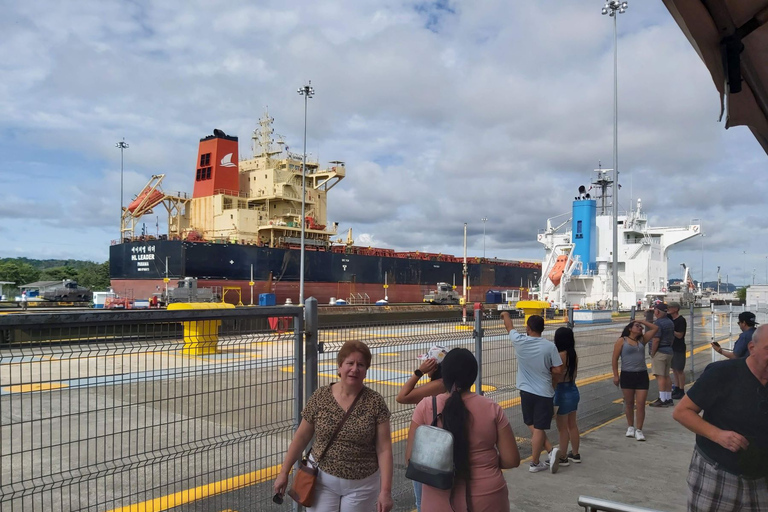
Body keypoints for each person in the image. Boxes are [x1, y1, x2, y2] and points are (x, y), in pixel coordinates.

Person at [273, 340, 393, 512]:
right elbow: (301, 437)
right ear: (339, 367)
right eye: (349, 363)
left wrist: (386, 491)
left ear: (366, 371)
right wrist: (284, 472)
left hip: (362, 485)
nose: (354, 369)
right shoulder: (321, 396)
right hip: (322, 480)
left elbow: (384, 448)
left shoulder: (375, 402)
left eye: (361, 364)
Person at [406, 348, 520, 512]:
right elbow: (511, 460)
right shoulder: (492, 408)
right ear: (473, 377)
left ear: (444, 375)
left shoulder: (425, 407)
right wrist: (486, 462)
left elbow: (410, 458)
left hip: (438, 497)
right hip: (488, 496)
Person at [673, 324, 768, 511]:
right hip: (717, 474)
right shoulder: (723, 373)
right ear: (752, 349)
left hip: (761, 479)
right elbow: (682, 412)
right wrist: (718, 435)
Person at [501, 312, 564, 473]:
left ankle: (547, 454)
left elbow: (509, 326)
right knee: (539, 427)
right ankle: (538, 461)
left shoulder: (519, 341)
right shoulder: (550, 347)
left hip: (525, 390)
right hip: (544, 391)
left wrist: (505, 314)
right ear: (543, 329)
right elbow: (558, 370)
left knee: (531, 423)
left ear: (528, 328)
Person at [397, 346, 446, 512]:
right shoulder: (443, 383)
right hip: (436, 451)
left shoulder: (438, 385)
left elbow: (401, 397)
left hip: (427, 453)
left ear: (434, 366)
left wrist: (418, 372)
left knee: (423, 503)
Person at [612, 319, 659, 441]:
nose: (640, 328)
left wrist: (641, 321)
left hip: (641, 375)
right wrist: (616, 375)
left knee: (641, 403)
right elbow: (614, 359)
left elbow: (655, 328)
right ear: (630, 329)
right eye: (637, 326)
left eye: (641, 327)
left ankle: (639, 429)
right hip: (627, 374)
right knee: (628, 402)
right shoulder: (622, 341)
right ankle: (630, 426)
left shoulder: (642, 340)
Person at [552, 327, 581, 466]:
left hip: (561, 391)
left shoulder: (560, 355)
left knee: (562, 428)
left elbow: (556, 375)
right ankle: (575, 453)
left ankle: (562, 456)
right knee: (572, 425)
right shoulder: (573, 354)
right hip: (573, 389)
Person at [649, 303, 675, 407]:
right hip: (669, 350)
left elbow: (656, 339)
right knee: (666, 375)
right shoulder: (670, 322)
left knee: (660, 376)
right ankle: (668, 398)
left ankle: (662, 399)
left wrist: (652, 352)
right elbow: (672, 338)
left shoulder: (658, 323)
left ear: (657, 312)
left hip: (660, 351)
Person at [668, 302, 688, 399]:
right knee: (674, 369)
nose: (668, 309)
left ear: (676, 309)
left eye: (670, 307)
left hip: (678, 347)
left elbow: (680, 335)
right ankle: (676, 387)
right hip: (671, 347)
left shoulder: (681, 320)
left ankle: (681, 389)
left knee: (679, 369)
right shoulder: (670, 318)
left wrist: (672, 330)